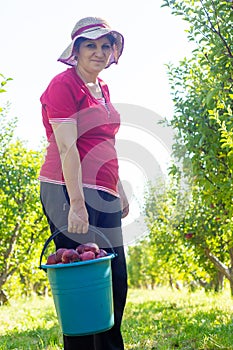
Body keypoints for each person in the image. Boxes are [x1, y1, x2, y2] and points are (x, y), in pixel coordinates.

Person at [39, 16, 129, 350]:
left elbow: (104, 143)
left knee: (115, 280)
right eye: (90, 45)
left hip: (101, 191)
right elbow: (66, 147)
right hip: (66, 190)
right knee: (85, 282)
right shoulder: (63, 85)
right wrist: (76, 205)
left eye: (106, 46)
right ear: (75, 50)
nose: (100, 52)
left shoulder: (102, 88)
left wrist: (116, 188)